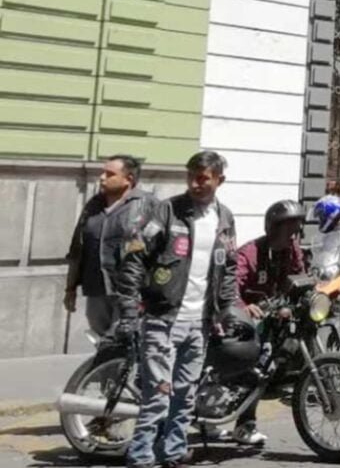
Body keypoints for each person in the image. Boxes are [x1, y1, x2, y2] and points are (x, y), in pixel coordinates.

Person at [116, 151, 238, 468]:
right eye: (191, 176)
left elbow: (229, 267)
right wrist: (129, 306)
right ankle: (140, 456)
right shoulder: (167, 211)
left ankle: (173, 452)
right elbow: (135, 255)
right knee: (158, 395)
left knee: (185, 395)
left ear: (219, 180)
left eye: (203, 178)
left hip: (200, 324)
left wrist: (225, 309)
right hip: (163, 319)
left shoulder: (225, 219)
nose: (195, 183)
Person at [222, 199, 306, 446]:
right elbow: (229, 285)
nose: (292, 235)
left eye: (296, 229)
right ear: (273, 227)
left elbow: (299, 276)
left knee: (264, 370)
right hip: (242, 321)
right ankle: (242, 424)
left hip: (271, 318)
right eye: (288, 229)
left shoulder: (292, 250)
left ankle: (242, 424)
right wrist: (244, 307)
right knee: (255, 369)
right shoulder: (249, 253)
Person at [64, 155, 157, 338]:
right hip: (96, 288)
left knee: (122, 341)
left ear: (128, 179)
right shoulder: (93, 205)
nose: (102, 178)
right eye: (103, 173)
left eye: (110, 174)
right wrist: (70, 288)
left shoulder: (148, 205)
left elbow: (159, 251)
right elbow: (77, 248)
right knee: (101, 339)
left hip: (130, 292)